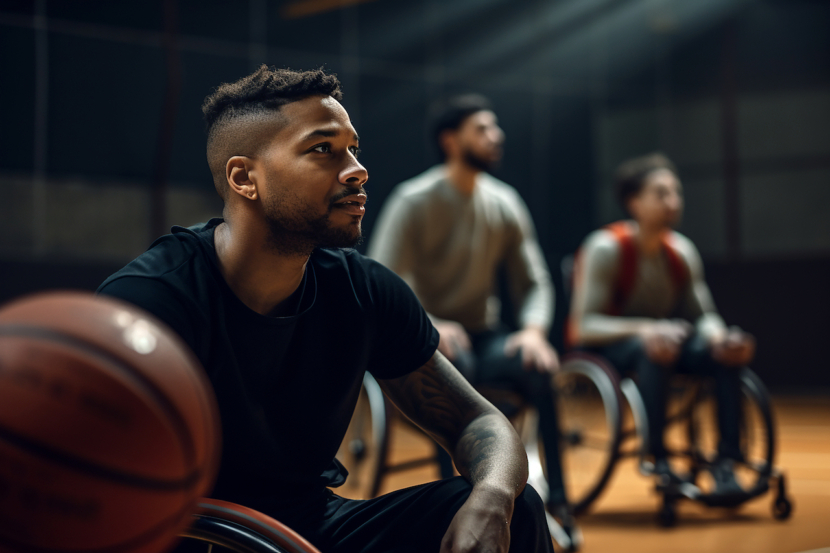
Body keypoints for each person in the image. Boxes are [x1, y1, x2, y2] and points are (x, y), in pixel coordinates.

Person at [97, 65, 554, 553]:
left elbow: (476, 421)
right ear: (244, 177)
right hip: (189, 534)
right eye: (323, 150)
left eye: (353, 149)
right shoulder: (150, 303)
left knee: (517, 508)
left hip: (307, 528)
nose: (357, 169)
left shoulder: (362, 288)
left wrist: (492, 497)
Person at [368, 94, 579, 548]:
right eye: (483, 128)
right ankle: (464, 504)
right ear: (450, 140)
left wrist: (534, 331)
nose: (496, 136)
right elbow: (382, 277)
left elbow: (536, 281)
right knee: (456, 363)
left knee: (537, 368)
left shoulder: (503, 201)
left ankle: (560, 501)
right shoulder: (414, 199)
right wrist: (429, 322)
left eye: (495, 128)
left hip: (484, 335)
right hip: (432, 337)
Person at [567, 152, 754, 499]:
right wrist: (647, 329)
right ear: (633, 202)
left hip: (664, 340)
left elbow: (704, 316)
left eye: (676, 193)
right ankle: (660, 457)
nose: (673, 202)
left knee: (722, 355)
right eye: (661, 194)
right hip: (612, 347)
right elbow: (583, 327)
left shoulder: (682, 252)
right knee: (655, 348)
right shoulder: (606, 248)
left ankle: (727, 461)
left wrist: (721, 337)